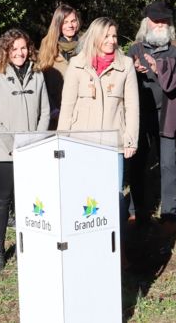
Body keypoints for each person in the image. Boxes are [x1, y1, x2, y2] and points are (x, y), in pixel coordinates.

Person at [57, 17, 139, 227]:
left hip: (114, 144)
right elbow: (67, 106)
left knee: (113, 194)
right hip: (81, 142)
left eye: (114, 36)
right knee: (83, 193)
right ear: (95, 37)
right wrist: (62, 139)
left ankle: (115, 248)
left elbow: (132, 107)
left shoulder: (126, 65)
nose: (112, 40)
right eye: (107, 36)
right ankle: (83, 239)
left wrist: (131, 139)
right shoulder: (77, 64)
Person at [0, 29, 50, 271]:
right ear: (6, 51)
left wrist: (36, 140)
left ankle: (27, 243)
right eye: (14, 49)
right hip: (4, 152)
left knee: (28, 200)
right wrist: (14, 145)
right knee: (3, 200)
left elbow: (44, 111)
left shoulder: (37, 75)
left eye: (23, 48)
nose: (20, 53)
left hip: (32, 149)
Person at [127, 0, 176, 234]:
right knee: (139, 163)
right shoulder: (135, 49)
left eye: (165, 21)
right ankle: (136, 211)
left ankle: (169, 213)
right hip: (142, 114)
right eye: (156, 20)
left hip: (168, 112)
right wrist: (133, 72)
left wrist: (160, 70)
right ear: (147, 22)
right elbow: (125, 85)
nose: (160, 25)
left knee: (167, 163)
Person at [37, 4, 81, 129]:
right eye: (65, 22)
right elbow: (41, 82)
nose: (70, 25)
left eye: (73, 21)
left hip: (80, 114)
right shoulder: (47, 45)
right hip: (56, 113)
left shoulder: (86, 45)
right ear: (58, 24)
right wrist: (52, 110)